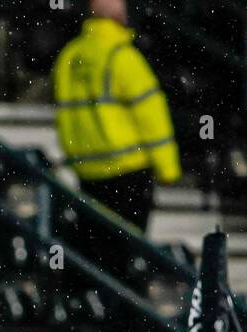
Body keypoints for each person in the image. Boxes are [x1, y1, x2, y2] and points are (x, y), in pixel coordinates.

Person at [53, 0, 180, 233]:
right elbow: (151, 116)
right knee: (127, 247)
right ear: (120, 16)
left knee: (98, 250)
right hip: (127, 169)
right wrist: (168, 168)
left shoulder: (70, 56)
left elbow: (64, 113)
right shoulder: (122, 56)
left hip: (88, 170)